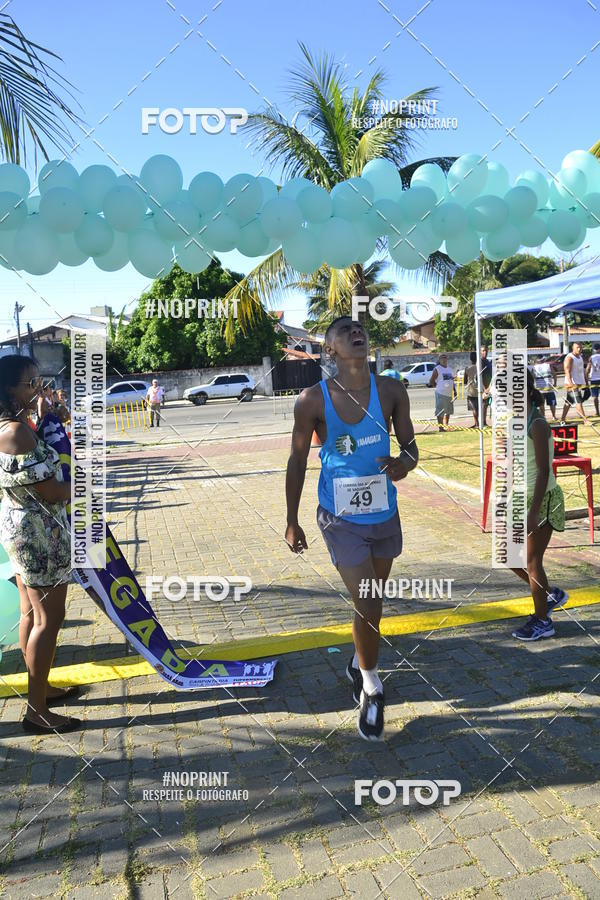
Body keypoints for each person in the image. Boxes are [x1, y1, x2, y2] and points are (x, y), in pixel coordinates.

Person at [284, 316, 418, 741]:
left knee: (371, 605)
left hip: (384, 514)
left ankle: (359, 659)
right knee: (368, 597)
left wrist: (404, 464)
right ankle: (372, 686)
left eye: (360, 328)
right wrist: (291, 519)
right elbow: (296, 460)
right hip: (339, 518)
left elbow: (412, 448)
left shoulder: (392, 390)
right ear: (330, 350)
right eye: (345, 332)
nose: (356, 333)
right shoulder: (311, 400)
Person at [0, 356, 80, 734]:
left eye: (38, 382)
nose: (38, 390)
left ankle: (40, 689)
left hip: (22, 530)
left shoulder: (13, 427)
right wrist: (85, 486)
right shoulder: (16, 432)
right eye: (31, 383)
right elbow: (49, 491)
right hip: (39, 535)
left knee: (31, 615)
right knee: (50, 619)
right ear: (8, 388)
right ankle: (37, 711)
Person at [510, 370, 568, 641]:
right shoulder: (516, 421)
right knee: (507, 555)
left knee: (532, 562)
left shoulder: (538, 423)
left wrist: (533, 513)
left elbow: (544, 471)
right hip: (520, 498)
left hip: (541, 500)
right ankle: (549, 595)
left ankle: (543, 621)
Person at [560, 342, 590, 424]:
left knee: (568, 402)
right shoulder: (570, 357)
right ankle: (585, 420)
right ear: (573, 348)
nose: (579, 349)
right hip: (572, 384)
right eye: (577, 347)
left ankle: (562, 419)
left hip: (579, 383)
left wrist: (586, 383)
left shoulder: (580, 357)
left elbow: (582, 371)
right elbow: (567, 371)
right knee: (578, 401)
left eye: (580, 347)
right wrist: (571, 384)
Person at [428, 353, 455, 431]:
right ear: (439, 360)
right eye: (442, 358)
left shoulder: (449, 369)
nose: (444, 359)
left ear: (447, 359)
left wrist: (454, 390)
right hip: (441, 393)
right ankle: (441, 427)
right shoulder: (437, 368)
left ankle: (446, 425)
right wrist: (438, 386)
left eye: (445, 357)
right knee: (440, 410)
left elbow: (451, 380)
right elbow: (431, 380)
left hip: (449, 393)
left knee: (448, 410)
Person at [532, 355, 558, 420]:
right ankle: (554, 416)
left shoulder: (534, 367)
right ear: (543, 359)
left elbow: (532, 377)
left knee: (541, 404)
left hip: (540, 389)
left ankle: (543, 416)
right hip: (549, 388)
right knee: (552, 403)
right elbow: (554, 374)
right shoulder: (548, 365)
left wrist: (533, 386)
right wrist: (555, 383)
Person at [464, 352, 480, 428]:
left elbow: (464, 381)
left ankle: (476, 423)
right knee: (479, 407)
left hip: (471, 390)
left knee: (474, 408)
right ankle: (479, 422)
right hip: (479, 389)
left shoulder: (467, 368)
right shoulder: (479, 367)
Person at [585, 342, 600, 417]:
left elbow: (587, 369)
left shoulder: (591, 358)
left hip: (594, 379)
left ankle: (597, 412)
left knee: (595, 396)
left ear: (594, 350)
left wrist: (586, 379)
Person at [480, 345, 493, 426]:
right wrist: (484, 388)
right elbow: (479, 376)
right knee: (483, 406)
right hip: (484, 388)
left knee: (488, 405)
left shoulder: (488, 361)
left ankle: (485, 422)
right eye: (483, 350)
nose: (485, 352)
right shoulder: (480, 362)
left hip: (490, 386)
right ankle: (483, 422)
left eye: (486, 351)